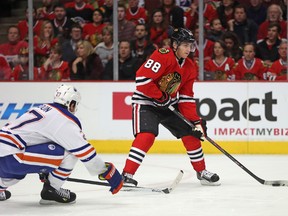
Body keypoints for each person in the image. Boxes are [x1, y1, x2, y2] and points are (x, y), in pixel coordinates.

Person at [122, 28, 220, 186]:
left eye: (191, 46)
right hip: (146, 103)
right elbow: (142, 80)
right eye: (185, 46)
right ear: (175, 45)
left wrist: (195, 122)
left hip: (169, 105)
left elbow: (186, 98)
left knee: (191, 132)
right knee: (147, 135)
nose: (189, 50)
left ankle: (201, 172)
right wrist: (160, 96)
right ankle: (127, 175)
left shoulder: (189, 67)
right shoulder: (163, 55)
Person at [0, 84, 123, 203]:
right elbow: (84, 152)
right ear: (72, 103)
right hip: (12, 156)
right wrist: (106, 171)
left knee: (16, 175)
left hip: (6, 151)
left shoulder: (42, 108)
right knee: (70, 152)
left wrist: (45, 168)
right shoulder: (64, 119)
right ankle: (52, 189)